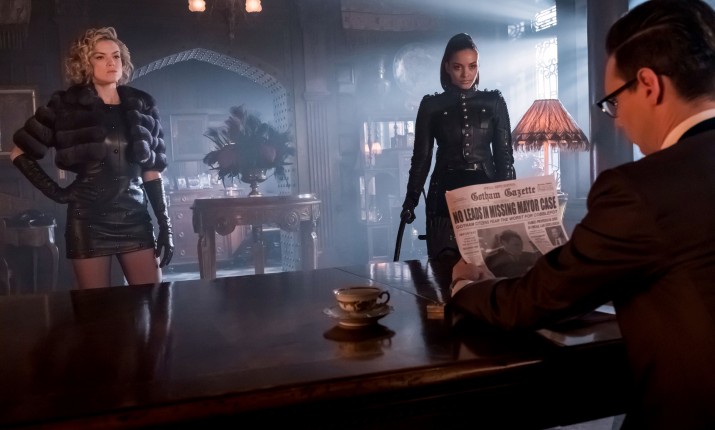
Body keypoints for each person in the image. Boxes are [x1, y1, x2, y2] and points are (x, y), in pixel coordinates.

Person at [450, 1, 715, 428]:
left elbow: (535, 301)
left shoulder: (638, 191)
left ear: (649, 85)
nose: (617, 122)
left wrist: (465, 286)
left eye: (613, 103)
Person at [10, 27, 173, 289]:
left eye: (116, 56)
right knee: (96, 309)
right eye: (100, 57)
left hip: (135, 218)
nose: (111, 62)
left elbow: (152, 170)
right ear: (85, 63)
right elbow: (19, 152)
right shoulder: (65, 105)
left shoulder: (142, 104)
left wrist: (165, 224)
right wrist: (58, 193)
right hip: (88, 220)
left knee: (155, 301)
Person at [400, 33, 515, 260]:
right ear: (447, 67)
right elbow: (421, 158)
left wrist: (509, 200)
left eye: (472, 66)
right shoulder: (431, 105)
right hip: (444, 194)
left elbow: (504, 157)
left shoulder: (494, 101)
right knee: (444, 268)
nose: (466, 74)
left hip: (486, 193)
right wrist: (411, 200)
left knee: (489, 265)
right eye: (458, 67)